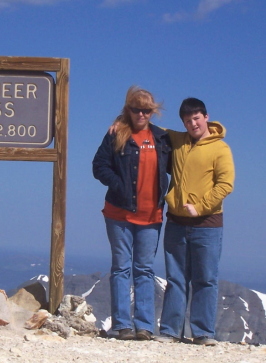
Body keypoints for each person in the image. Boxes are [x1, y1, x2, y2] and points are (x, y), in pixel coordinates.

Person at [153, 98, 235, 346]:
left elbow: (225, 185)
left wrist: (199, 206)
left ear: (206, 117)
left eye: (196, 118)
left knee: (205, 279)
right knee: (176, 279)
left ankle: (203, 333)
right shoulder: (178, 140)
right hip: (176, 222)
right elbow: (151, 129)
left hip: (208, 224)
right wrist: (122, 122)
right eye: (188, 121)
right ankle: (170, 331)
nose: (193, 124)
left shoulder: (221, 149)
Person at [92, 86, 171, 340]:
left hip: (151, 216)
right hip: (119, 214)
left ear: (152, 112)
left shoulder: (162, 139)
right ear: (128, 110)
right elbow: (99, 166)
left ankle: (145, 327)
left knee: (145, 269)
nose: (141, 114)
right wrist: (119, 185)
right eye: (136, 109)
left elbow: (186, 146)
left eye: (146, 110)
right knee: (121, 268)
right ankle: (123, 325)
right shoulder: (117, 135)